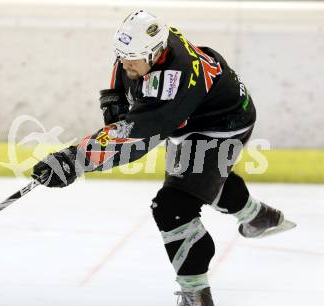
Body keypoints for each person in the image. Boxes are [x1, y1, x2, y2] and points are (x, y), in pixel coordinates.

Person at [31, 9, 295, 306]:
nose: (126, 62)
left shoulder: (173, 83)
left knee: (174, 206)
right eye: (122, 55)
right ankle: (258, 216)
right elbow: (125, 67)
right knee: (198, 178)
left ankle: (196, 295)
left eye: (134, 58)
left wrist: (74, 160)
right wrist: (117, 97)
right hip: (196, 114)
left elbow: (134, 139)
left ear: (156, 54)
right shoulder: (147, 47)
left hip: (223, 124)